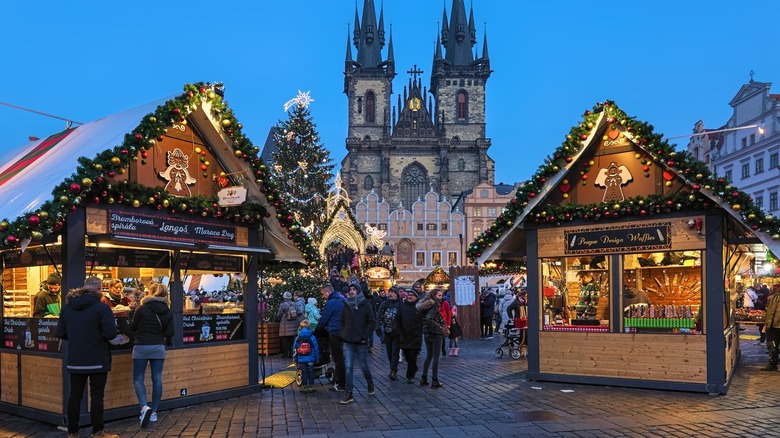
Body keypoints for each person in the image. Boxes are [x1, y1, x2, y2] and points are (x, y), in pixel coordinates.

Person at [56, 277, 118, 438]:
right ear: (98, 290)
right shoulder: (101, 308)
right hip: (98, 358)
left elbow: (61, 333)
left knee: (75, 395)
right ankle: (98, 432)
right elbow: (110, 333)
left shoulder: (67, 308)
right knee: (97, 395)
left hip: (76, 358)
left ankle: (72, 432)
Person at [129, 282, 174, 427]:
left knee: (138, 378)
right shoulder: (167, 311)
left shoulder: (142, 308)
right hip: (158, 346)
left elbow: (133, 327)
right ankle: (154, 411)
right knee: (157, 379)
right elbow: (170, 332)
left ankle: (144, 407)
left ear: (151, 292)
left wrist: (131, 312)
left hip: (141, 345)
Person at [339, 282, 375, 404]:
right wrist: (343, 332)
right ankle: (349, 393)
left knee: (364, 366)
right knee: (348, 367)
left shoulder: (365, 304)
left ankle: (370, 382)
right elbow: (342, 320)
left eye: (354, 289)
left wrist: (365, 335)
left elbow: (371, 321)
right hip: (348, 339)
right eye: (350, 289)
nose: (352, 291)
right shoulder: (346, 304)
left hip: (360, 340)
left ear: (358, 291)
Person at [315, 284, 347, 392]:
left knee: (338, 359)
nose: (323, 297)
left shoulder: (331, 302)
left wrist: (316, 331)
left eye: (323, 294)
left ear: (327, 292)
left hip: (335, 331)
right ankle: (340, 381)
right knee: (341, 357)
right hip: (344, 331)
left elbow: (324, 318)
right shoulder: (342, 299)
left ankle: (341, 383)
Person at [416, 288, 446, 388]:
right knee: (436, 357)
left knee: (429, 356)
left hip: (426, 333)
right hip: (435, 333)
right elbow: (429, 319)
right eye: (439, 295)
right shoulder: (434, 304)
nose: (441, 297)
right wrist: (439, 328)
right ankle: (434, 380)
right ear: (433, 295)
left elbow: (424, 319)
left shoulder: (423, 305)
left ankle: (424, 378)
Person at [398, 289, 423, 383]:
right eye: (409, 294)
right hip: (404, 335)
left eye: (412, 295)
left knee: (412, 357)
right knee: (406, 356)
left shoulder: (419, 307)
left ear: (416, 297)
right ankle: (414, 368)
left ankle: (410, 376)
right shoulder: (402, 306)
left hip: (415, 336)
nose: (409, 296)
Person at [377, 287, 401, 380]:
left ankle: (393, 370)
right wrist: (378, 327)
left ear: (396, 294)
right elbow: (379, 315)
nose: (390, 294)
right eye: (389, 292)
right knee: (389, 352)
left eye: (393, 292)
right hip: (387, 331)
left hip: (397, 332)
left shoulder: (400, 304)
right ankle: (393, 367)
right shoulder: (385, 303)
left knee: (395, 351)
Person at [293, 319, 320, 393]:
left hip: (301, 358)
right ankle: (311, 386)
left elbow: (295, 348)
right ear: (309, 328)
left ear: (300, 328)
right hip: (311, 358)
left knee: (303, 371)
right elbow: (316, 348)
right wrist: (317, 358)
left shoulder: (298, 337)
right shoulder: (312, 337)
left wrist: (295, 358)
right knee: (311, 371)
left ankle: (304, 386)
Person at [277, 291, 303, 358]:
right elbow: (297, 312)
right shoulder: (294, 304)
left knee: (285, 341)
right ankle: (292, 354)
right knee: (292, 341)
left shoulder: (282, 305)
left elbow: (279, 314)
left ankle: (285, 354)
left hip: (285, 325)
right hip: (293, 324)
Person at [761, 284, 780, 371]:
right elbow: (768, 310)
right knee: (772, 345)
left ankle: (773, 364)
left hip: (773, 324)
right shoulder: (774, 296)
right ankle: (772, 364)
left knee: (772, 345)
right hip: (773, 325)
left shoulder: (773, 295)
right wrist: (767, 323)